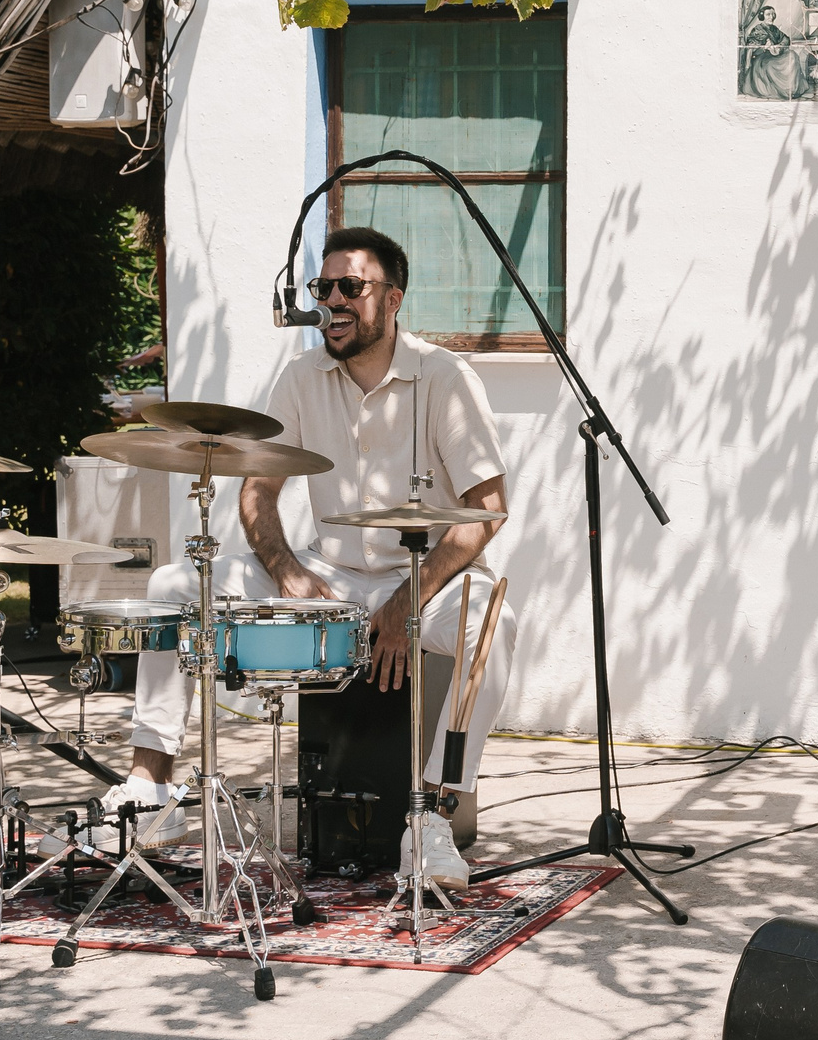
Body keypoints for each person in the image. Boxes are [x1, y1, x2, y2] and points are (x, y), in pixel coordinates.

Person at [98, 226, 514, 888]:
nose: (334, 299)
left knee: (491, 620)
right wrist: (291, 571)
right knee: (177, 583)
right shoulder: (301, 375)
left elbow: (486, 510)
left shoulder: (444, 376)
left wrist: (408, 602)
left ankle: (432, 818)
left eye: (352, 286)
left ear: (394, 298)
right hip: (329, 576)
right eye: (324, 287)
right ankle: (152, 786)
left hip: (422, 575)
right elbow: (258, 491)